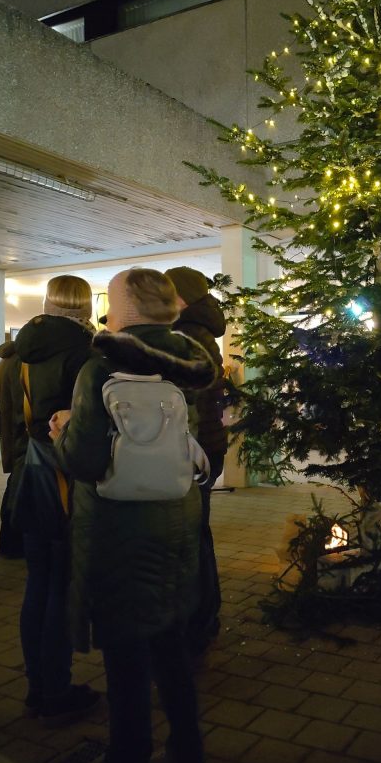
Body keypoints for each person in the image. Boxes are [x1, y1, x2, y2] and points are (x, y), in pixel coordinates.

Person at [52, 268, 217, 763]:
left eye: (112, 296)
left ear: (125, 305)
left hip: (122, 528)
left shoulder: (102, 366)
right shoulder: (197, 365)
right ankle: (189, 757)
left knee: (126, 661)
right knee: (170, 643)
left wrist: (63, 431)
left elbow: (86, 461)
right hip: (178, 517)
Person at [12, 275, 99, 724]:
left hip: (32, 475)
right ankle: (56, 688)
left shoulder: (22, 351)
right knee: (62, 587)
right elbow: (87, 425)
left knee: (37, 582)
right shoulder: (85, 354)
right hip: (65, 480)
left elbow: (9, 417)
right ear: (85, 305)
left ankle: (36, 685)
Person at [164, 267, 228, 653]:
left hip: (195, 447)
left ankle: (199, 622)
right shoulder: (198, 333)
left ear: (181, 298)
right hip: (206, 445)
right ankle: (204, 618)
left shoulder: (187, 336)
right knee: (197, 533)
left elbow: (185, 394)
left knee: (192, 536)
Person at [0, 338, 24, 558]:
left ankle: (8, 543)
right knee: (17, 490)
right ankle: (11, 544)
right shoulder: (20, 363)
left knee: (14, 487)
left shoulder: (5, 361)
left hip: (11, 434)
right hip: (20, 435)